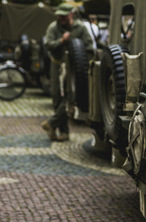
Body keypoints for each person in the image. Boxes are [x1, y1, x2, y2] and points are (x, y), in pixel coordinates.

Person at [41, 3, 93, 141]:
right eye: (59, 15)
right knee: (56, 97)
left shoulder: (80, 28)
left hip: (75, 68)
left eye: (64, 15)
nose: (61, 18)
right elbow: (48, 45)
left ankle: (51, 124)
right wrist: (61, 41)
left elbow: (89, 48)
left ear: (71, 14)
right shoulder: (53, 27)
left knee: (71, 97)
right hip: (57, 65)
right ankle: (63, 131)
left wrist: (82, 60)